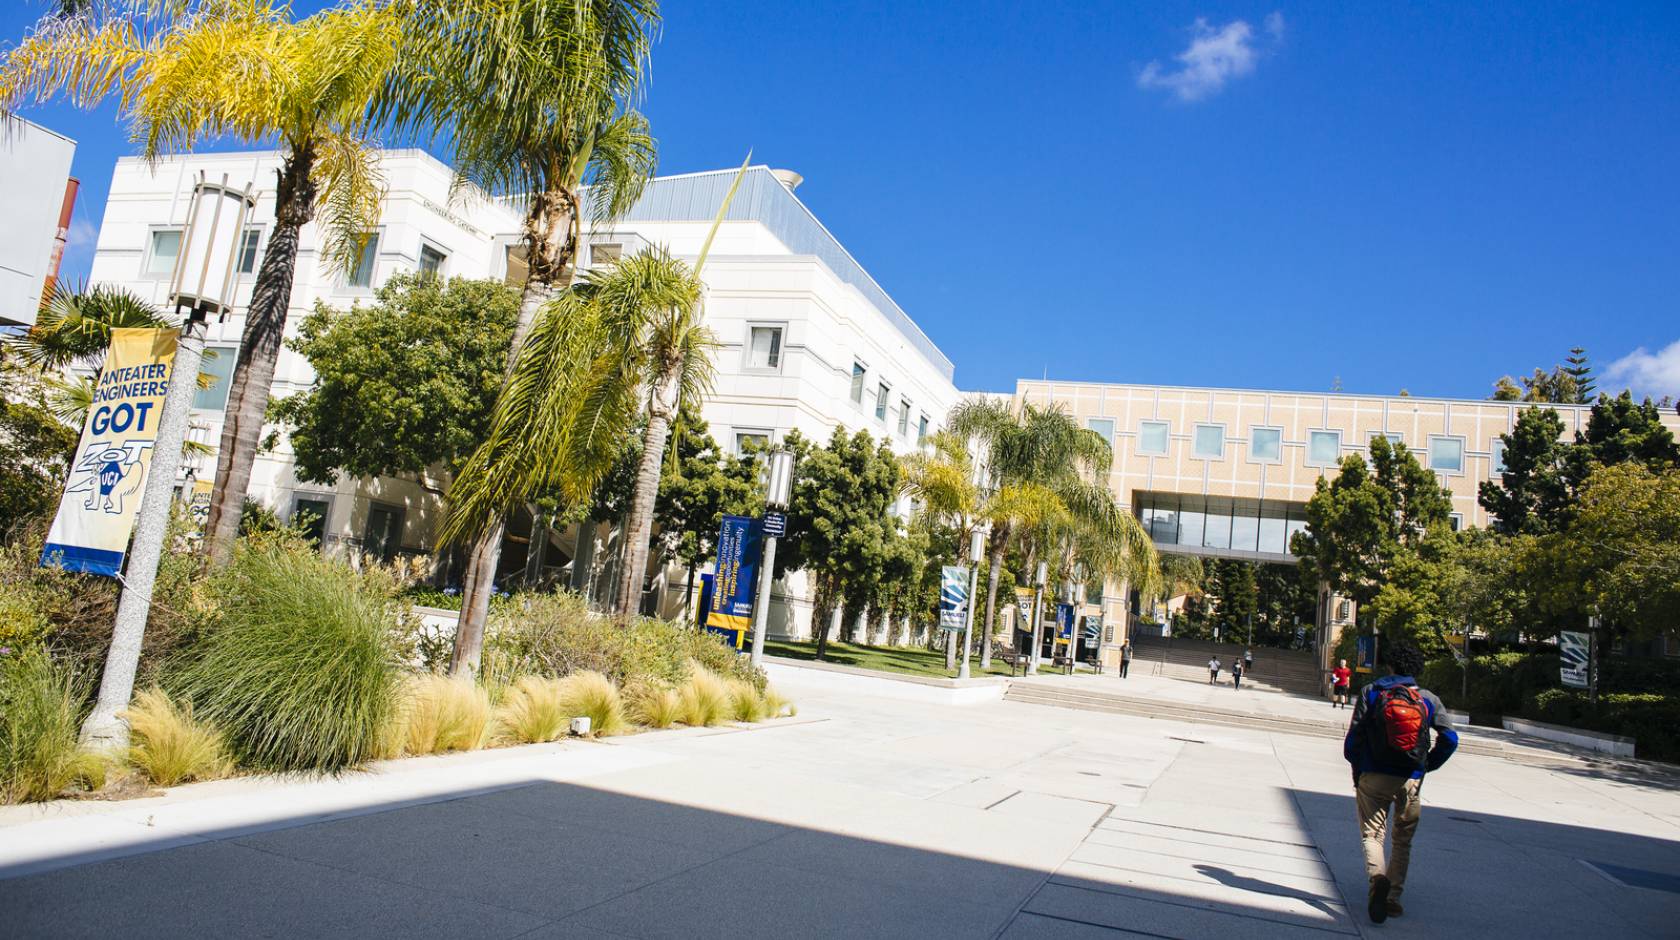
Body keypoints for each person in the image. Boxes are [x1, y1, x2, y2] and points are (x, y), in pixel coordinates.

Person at [1343, 642, 1458, 924]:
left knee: (1372, 834)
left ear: (1390, 665)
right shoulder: (1428, 699)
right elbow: (1450, 738)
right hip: (1411, 777)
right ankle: (1392, 898)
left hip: (1374, 773)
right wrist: (1428, 763)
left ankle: (1377, 879)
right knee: (1402, 840)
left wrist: (1358, 767)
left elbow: (1354, 739)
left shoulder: (1372, 692)